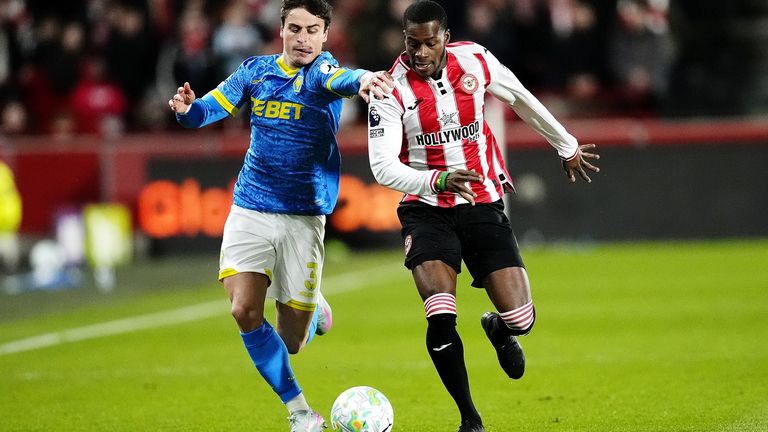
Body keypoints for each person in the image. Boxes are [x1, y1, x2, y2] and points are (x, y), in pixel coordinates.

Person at [366, 2, 600, 431]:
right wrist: (437, 180)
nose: (420, 52)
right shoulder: (388, 89)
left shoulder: (475, 59)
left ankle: (500, 329)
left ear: (445, 38)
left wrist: (565, 144)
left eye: (429, 43)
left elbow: (520, 97)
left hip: (481, 201)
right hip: (426, 209)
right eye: (412, 43)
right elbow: (382, 167)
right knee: (440, 315)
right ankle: (469, 419)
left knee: (521, 319)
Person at [168, 1, 392, 431]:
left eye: (312, 30)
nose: (303, 38)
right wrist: (187, 111)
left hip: (303, 217)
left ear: (325, 35)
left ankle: (314, 304)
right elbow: (209, 109)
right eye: (295, 29)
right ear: (282, 30)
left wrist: (365, 80)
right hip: (251, 205)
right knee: (243, 310)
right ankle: (302, 412)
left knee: (292, 341)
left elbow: (345, 78)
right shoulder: (256, 71)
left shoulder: (322, 72)